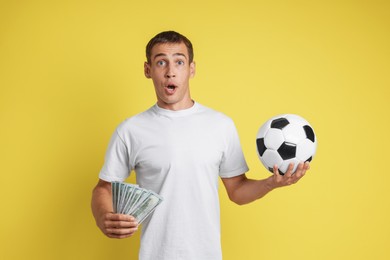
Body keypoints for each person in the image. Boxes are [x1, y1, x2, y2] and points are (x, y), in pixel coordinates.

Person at [91, 31, 309, 260]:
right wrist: (103, 216)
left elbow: (237, 191)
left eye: (179, 62)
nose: (170, 71)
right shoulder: (131, 130)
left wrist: (271, 183)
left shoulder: (220, 125)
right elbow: (103, 188)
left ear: (191, 69)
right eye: (161, 62)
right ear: (148, 70)